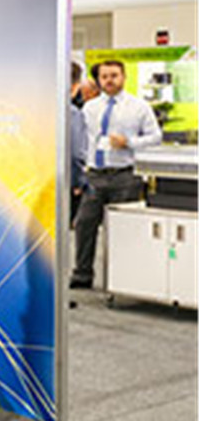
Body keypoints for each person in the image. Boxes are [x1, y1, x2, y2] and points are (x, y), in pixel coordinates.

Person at [72, 59, 162, 289]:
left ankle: (122, 279)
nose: (109, 80)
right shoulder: (89, 108)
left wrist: (129, 142)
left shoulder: (139, 107)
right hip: (94, 175)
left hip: (125, 176)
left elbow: (156, 137)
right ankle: (83, 274)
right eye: (104, 77)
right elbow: (82, 140)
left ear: (123, 77)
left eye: (114, 75)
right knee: (84, 224)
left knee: (123, 229)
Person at [70, 63, 89, 224]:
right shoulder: (72, 114)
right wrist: (79, 182)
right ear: (75, 87)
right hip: (60, 183)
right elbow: (75, 153)